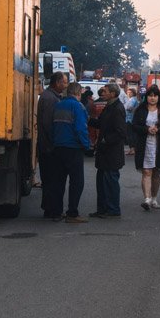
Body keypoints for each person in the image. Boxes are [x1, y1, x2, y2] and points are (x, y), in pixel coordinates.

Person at [51, 82, 91, 223]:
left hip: (58, 147)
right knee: (77, 182)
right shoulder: (78, 106)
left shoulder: (58, 105)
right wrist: (87, 146)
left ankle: (56, 212)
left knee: (58, 181)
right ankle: (72, 213)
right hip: (73, 148)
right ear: (78, 93)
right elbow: (81, 128)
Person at [130, 85, 160, 210]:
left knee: (156, 172)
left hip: (159, 145)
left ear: (158, 97)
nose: (152, 98)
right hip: (144, 144)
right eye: (150, 95)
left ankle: (154, 198)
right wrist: (147, 129)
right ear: (146, 97)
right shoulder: (140, 110)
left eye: (155, 96)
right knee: (146, 171)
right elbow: (135, 125)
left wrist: (158, 130)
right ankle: (147, 199)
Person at [90, 82, 126, 218]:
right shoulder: (109, 106)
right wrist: (89, 120)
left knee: (110, 182)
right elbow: (100, 123)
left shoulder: (117, 108)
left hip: (111, 154)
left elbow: (121, 132)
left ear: (113, 93)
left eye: (105, 91)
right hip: (104, 153)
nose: (102, 93)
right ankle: (103, 209)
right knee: (102, 182)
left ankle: (113, 209)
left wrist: (106, 140)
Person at [37, 71, 68, 218]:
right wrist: (55, 143)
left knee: (49, 180)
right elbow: (48, 124)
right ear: (57, 83)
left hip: (47, 146)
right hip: (49, 147)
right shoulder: (50, 99)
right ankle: (52, 210)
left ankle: (49, 208)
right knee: (52, 181)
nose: (66, 85)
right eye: (64, 82)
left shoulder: (51, 96)